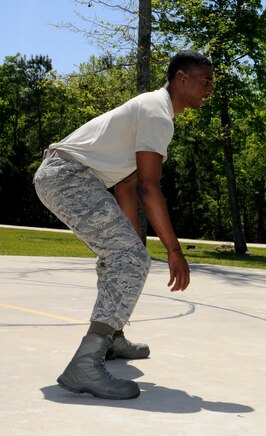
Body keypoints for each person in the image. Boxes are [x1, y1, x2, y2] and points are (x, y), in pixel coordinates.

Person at [33, 50, 214, 400]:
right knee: (129, 259)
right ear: (181, 78)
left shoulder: (155, 111)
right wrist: (174, 251)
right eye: (205, 81)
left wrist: (134, 245)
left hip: (67, 176)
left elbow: (127, 184)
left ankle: (112, 338)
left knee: (125, 255)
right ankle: (85, 364)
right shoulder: (157, 112)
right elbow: (149, 186)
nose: (209, 89)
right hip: (69, 177)